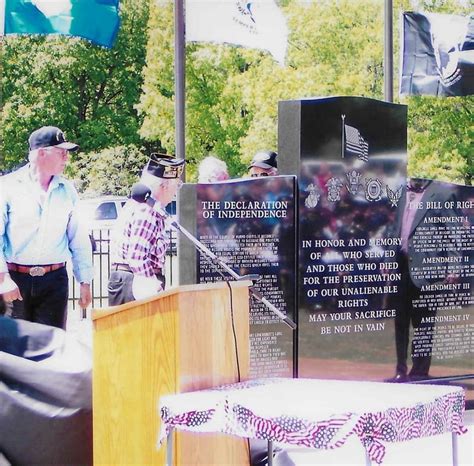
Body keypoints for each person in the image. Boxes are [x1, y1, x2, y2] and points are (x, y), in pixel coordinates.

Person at [0, 126, 93, 329]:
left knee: (52, 351)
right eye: (62, 152)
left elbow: (78, 238)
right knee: (13, 353)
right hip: (14, 281)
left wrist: (85, 281)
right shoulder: (7, 188)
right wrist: (3, 279)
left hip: (54, 281)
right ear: (41, 153)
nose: (66, 158)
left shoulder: (68, 191)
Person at [386, 178, 462, 382]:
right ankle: (400, 370)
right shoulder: (403, 192)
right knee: (400, 320)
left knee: (423, 323)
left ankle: (419, 372)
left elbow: (453, 233)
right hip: (401, 266)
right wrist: (387, 259)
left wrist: (453, 266)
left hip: (428, 268)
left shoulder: (443, 194)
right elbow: (396, 228)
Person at [108, 154, 185, 306]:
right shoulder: (146, 210)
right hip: (135, 283)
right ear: (163, 186)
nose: (176, 192)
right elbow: (137, 257)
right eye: (176, 186)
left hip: (130, 281)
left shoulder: (141, 206)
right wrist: (153, 285)